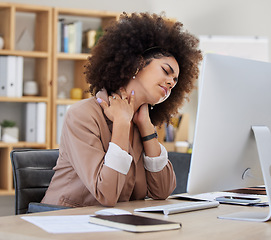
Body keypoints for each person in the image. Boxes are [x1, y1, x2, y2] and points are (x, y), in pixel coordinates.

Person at [41, 12, 202, 207]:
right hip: (65, 222)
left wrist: (147, 129)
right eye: (166, 71)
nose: (170, 82)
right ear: (137, 64)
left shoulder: (143, 122)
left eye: (175, 81)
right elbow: (106, 194)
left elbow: (162, 191)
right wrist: (122, 124)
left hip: (116, 223)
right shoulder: (82, 115)